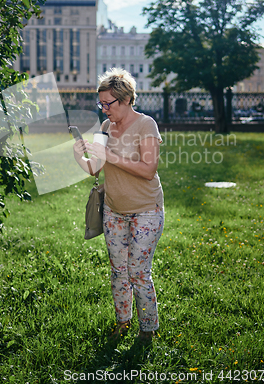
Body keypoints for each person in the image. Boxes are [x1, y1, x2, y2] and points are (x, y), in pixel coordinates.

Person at [73, 68, 164, 343]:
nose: (104, 110)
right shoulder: (105, 127)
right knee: (118, 271)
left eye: (108, 104)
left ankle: (147, 329)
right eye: (100, 104)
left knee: (138, 272)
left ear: (125, 99)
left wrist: (109, 155)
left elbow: (148, 169)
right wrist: (80, 156)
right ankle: (123, 322)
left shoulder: (146, 124)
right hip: (113, 210)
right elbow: (95, 168)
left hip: (146, 210)